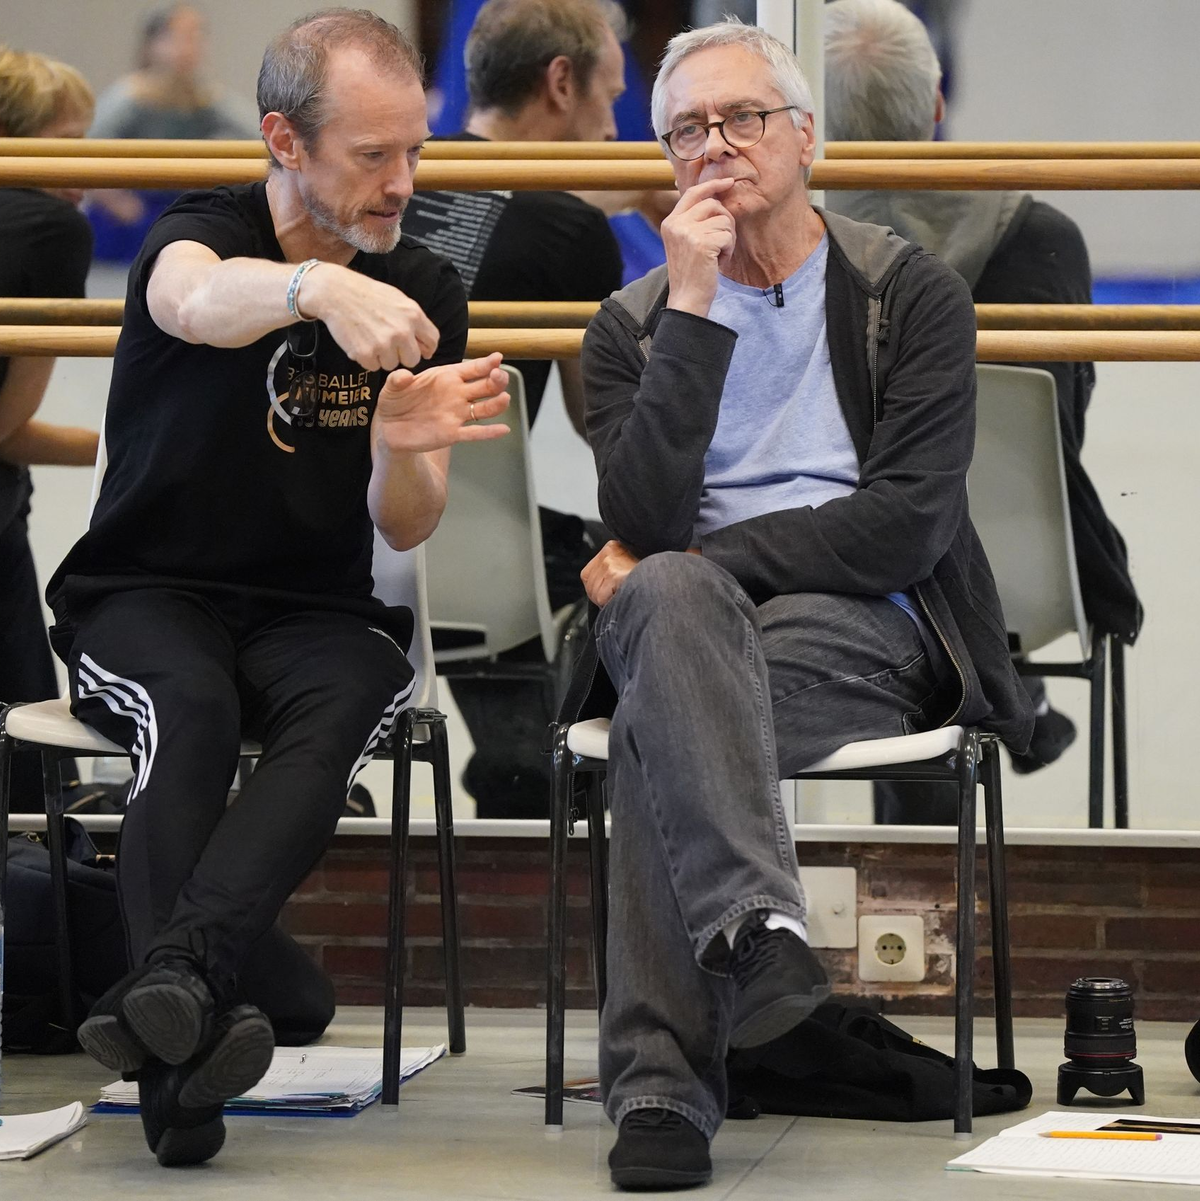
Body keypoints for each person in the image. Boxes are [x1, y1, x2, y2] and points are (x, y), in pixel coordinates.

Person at [573, 18, 1032, 1189]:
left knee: (663, 691)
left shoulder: (905, 294)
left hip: (867, 624)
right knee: (674, 621)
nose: (716, 144)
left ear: (805, 137)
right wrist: (693, 311)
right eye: (688, 129)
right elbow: (645, 518)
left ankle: (662, 1089)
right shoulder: (630, 327)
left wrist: (712, 561)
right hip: (687, 620)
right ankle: (754, 929)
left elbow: (905, 524)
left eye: (743, 117)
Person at [46, 8, 510, 1168]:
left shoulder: (422, 285)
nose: (403, 183)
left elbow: (406, 520)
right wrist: (317, 290)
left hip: (313, 608)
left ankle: (176, 985)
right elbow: (195, 304)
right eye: (372, 155)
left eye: (416, 152)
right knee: (192, 706)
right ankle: (186, 1053)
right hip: (145, 591)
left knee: (360, 683)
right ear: (284, 141)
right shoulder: (201, 231)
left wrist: (402, 445)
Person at [823, 0, 1142, 823]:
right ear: (936, 103)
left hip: (838, 569)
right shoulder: (1044, 235)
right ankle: (1003, 683)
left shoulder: (792, 248)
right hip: (1024, 578)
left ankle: (979, 688)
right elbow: (1061, 429)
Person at [402, 0, 626, 818]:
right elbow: (603, 426)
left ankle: (519, 767)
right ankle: (535, 774)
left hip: (339, 540)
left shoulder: (392, 184)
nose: (616, 131)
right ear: (561, 83)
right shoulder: (571, 230)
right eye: (612, 99)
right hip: (467, 557)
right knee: (630, 562)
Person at [0, 47, 100, 811]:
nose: (85, 169)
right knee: (27, 738)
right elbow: (5, 428)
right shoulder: (49, 227)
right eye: (69, 144)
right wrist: (143, 452)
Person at [88, 4, 258, 260]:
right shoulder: (128, 97)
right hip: (129, 213)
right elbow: (87, 151)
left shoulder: (205, 99)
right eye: (176, 37)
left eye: (195, 36)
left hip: (179, 206)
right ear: (152, 44)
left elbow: (259, 134)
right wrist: (119, 203)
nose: (187, 47)